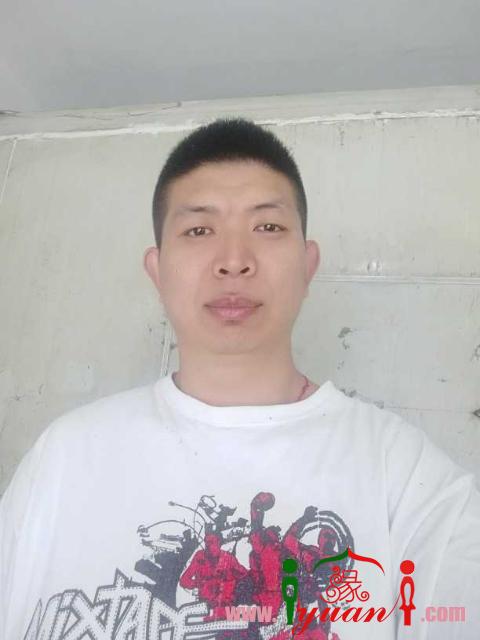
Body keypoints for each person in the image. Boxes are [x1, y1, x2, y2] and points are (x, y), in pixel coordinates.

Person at [0, 118, 479, 640]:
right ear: (157, 271)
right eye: (198, 230)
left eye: (267, 227)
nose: (233, 261)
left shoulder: (404, 476)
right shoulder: (64, 457)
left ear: (308, 265)